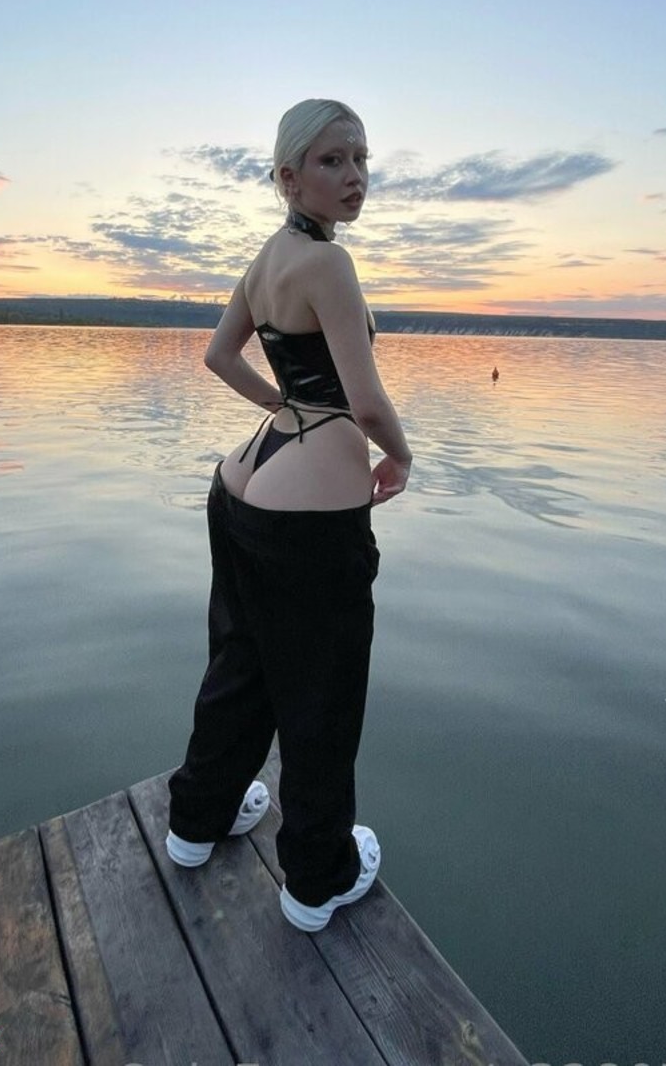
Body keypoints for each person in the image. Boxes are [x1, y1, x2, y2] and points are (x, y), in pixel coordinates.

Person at [166, 98, 413, 932]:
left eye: (362, 159)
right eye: (333, 160)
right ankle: (316, 877)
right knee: (323, 693)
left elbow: (219, 355)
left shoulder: (266, 260)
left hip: (239, 485)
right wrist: (400, 455)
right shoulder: (329, 266)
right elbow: (367, 403)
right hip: (309, 516)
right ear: (289, 176)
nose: (355, 177)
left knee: (240, 664)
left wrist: (283, 406)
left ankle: (196, 820)